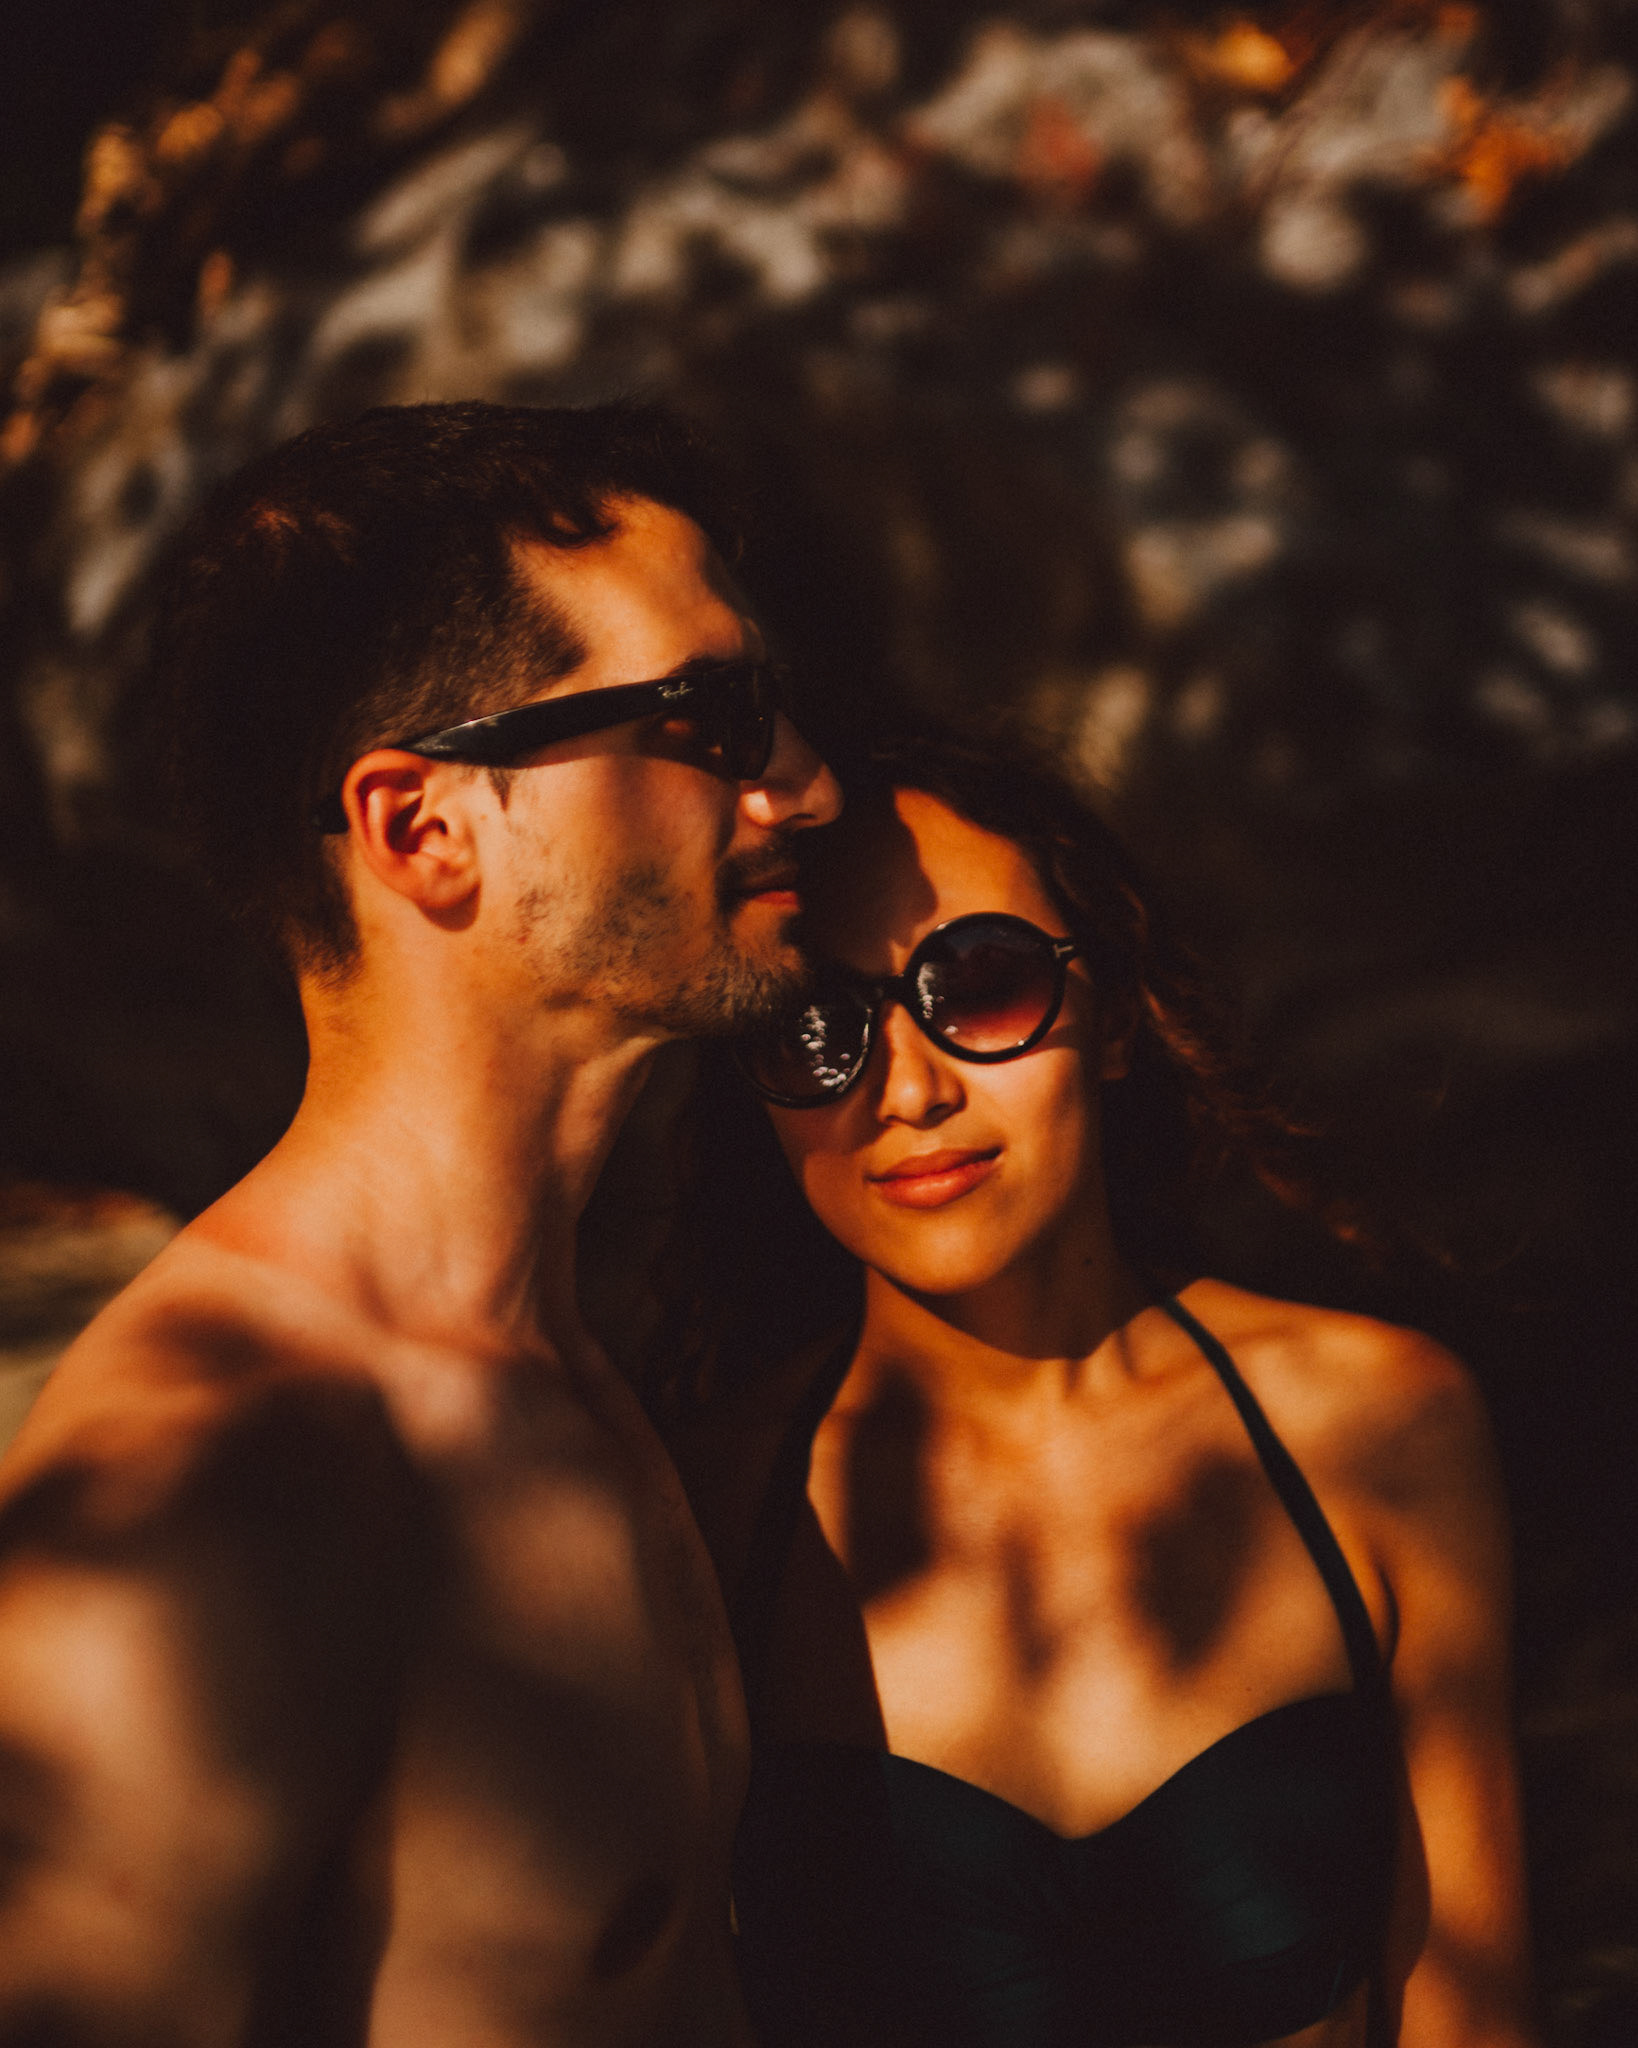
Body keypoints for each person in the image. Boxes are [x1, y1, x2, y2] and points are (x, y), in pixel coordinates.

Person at [0, 401, 840, 2044]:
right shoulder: (214, 1490)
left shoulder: (551, 1369)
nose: (803, 788)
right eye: (712, 716)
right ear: (423, 828)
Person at [667, 730, 1535, 2048]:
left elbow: (1473, 2011)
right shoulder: (706, 1512)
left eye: (981, 985)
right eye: (815, 1029)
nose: (910, 1089)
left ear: (1114, 1017)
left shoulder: (1371, 1422)